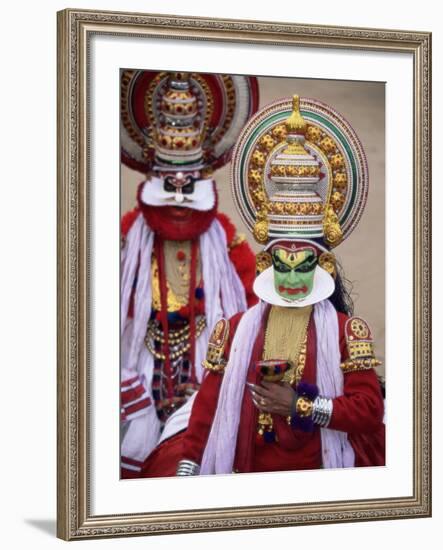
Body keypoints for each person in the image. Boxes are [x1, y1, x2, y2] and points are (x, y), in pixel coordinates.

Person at [175, 94, 385, 476]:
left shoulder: (346, 332)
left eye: (301, 266)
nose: (290, 280)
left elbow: (370, 412)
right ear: (265, 265)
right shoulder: (234, 330)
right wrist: (187, 472)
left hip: (320, 474)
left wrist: (301, 407)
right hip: (247, 474)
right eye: (281, 266)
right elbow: (206, 413)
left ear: (322, 265)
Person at [120, 71, 259, 477]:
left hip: (203, 381)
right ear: (151, 177)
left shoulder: (227, 242)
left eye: (189, 184)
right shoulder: (126, 238)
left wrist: (214, 386)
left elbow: (250, 323)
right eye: (168, 183)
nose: (179, 196)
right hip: (134, 378)